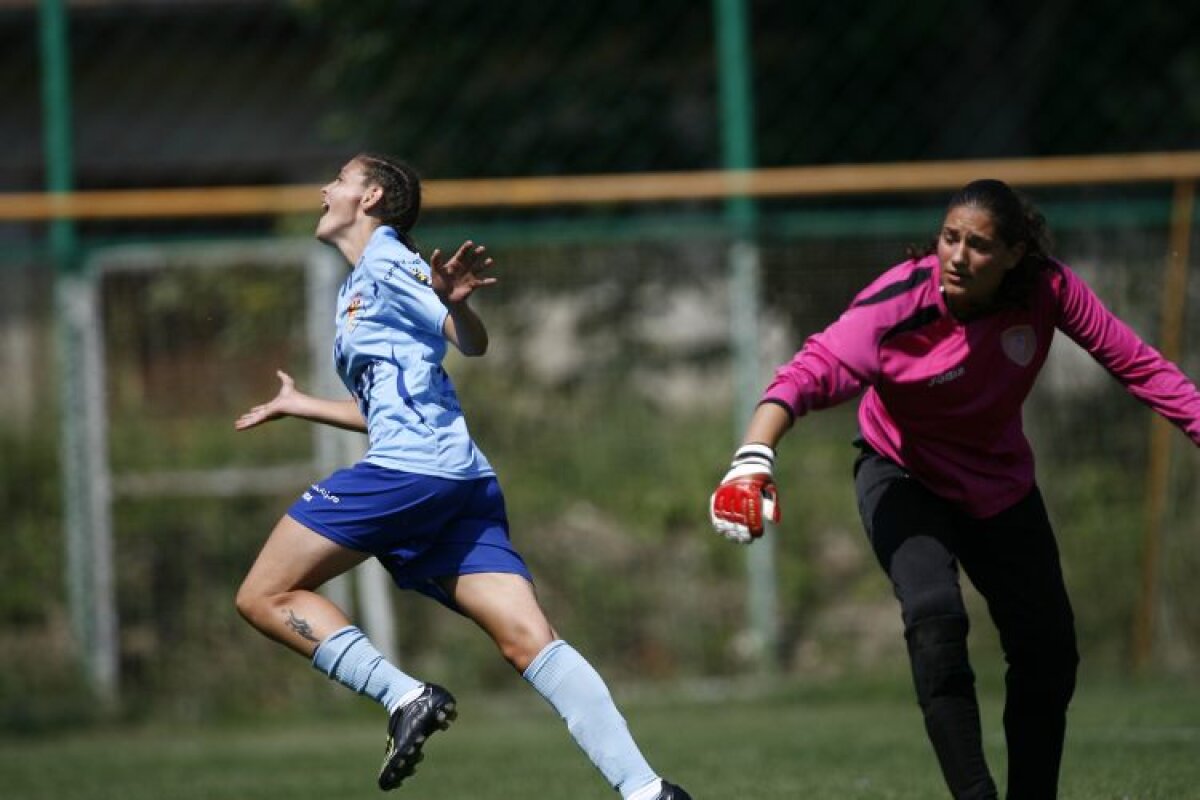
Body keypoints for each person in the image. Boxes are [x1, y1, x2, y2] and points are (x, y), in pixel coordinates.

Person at [709, 178, 1200, 799]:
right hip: (901, 474)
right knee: (935, 619)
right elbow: (810, 370)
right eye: (950, 238)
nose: (959, 257)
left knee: (1049, 655)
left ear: (1016, 254)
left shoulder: (1049, 290)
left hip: (998, 484)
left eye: (980, 245)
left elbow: (1139, 366)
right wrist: (752, 458)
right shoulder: (898, 302)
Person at [234, 152, 690, 800]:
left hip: (411, 473)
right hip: (456, 479)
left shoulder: (388, 261)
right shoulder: (362, 280)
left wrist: (456, 307)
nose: (323, 188)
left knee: (263, 595)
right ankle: (647, 791)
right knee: (528, 639)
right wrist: (303, 404)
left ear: (371, 198)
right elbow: (388, 404)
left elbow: (468, 341)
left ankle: (404, 695)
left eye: (339, 179)